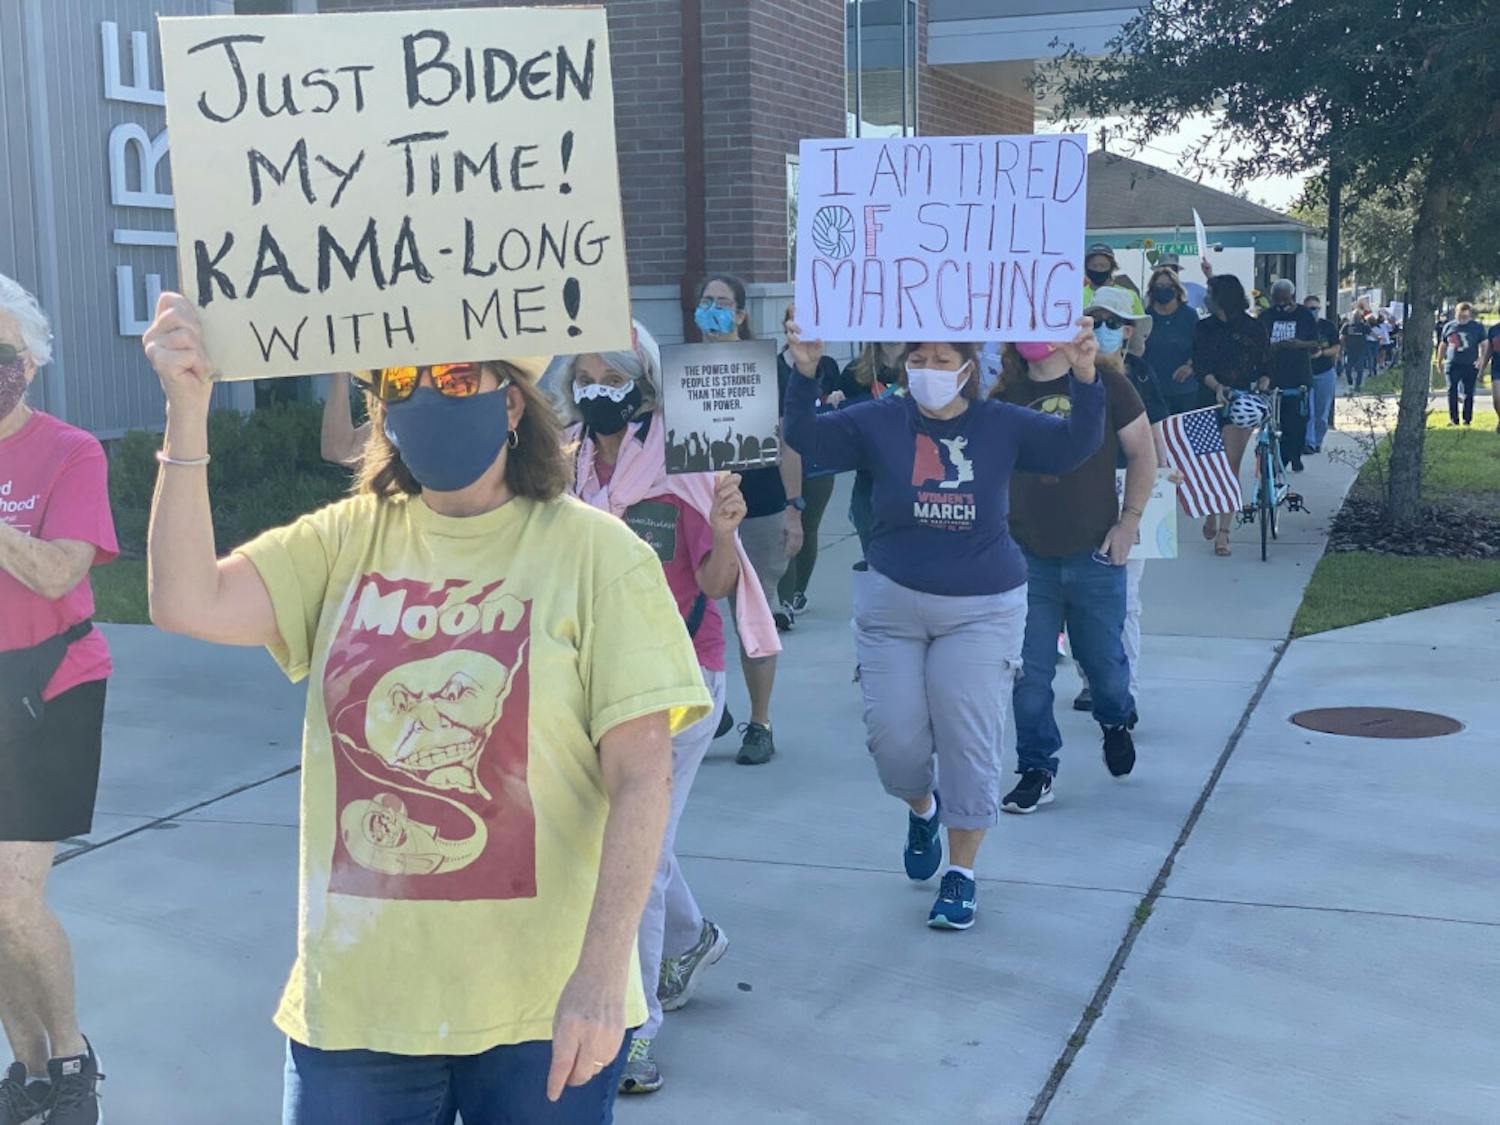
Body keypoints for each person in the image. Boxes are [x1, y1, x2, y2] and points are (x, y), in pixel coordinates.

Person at [142, 293, 711, 1125]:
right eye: (401, 382)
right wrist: (187, 411)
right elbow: (185, 599)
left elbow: (641, 776)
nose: (426, 398)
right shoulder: (344, 540)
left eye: (452, 375)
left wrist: (600, 972)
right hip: (361, 1009)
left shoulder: (599, 555)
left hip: (541, 1012)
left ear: (512, 401)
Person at [784, 319, 1106, 928]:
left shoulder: (1001, 423)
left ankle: (961, 873)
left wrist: (1086, 376)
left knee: (968, 737)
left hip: (982, 608)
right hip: (892, 604)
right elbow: (807, 438)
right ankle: (922, 807)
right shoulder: (878, 420)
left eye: (942, 357)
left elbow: (1073, 446)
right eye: (919, 357)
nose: (928, 367)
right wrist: (803, 372)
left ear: (967, 368)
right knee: (895, 746)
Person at [560, 323, 773, 1095]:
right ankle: (693, 939)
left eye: (607, 375)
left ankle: (636, 1029)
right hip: (599, 680)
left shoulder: (683, 463)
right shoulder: (574, 461)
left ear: (642, 382)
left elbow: (717, 582)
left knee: (635, 855)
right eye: (581, 377)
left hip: (682, 679)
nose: (593, 390)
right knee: (633, 832)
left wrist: (723, 530)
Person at [0, 276, 117, 1125]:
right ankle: (30, 1069)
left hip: (52, 684)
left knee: (11, 894)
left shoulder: (71, 450)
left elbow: (58, 571)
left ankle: (73, 1055)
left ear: (30, 364)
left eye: (3, 354)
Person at [995, 304, 1157, 815]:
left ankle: (1115, 720)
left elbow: (1143, 455)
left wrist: (1128, 522)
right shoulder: (1004, 397)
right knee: (1029, 673)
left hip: (1095, 553)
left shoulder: (1109, 387)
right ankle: (1036, 767)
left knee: (1105, 668)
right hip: (1025, 559)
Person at [694, 275, 799, 765]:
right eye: (705, 301)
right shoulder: (681, 369)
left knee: (751, 615)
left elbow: (788, 440)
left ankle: (761, 723)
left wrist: (796, 510)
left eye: (721, 302)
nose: (711, 308)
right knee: (686, 612)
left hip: (758, 503)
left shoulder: (767, 367)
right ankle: (711, 710)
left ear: (739, 314)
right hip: (696, 505)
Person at [1070, 287, 1178, 720]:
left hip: (1130, 489)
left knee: (1125, 596)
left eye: (1113, 324)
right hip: (1076, 494)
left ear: (1128, 331)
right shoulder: (1065, 372)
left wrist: (1166, 471)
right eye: (1095, 321)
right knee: (1077, 597)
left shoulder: (1142, 375)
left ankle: (1124, 688)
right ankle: (1090, 682)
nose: (1103, 330)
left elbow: (1154, 432)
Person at [1193, 274, 1271, 557]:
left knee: (1229, 466)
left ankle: (1225, 530)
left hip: (1240, 401)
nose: (1207, 298)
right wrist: (1216, 386)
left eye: (1210, 293)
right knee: (1206, 464)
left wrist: (1262, 385)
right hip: (1207, 398)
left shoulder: (1253, 327)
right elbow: (1200, 365)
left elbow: (1265, 363)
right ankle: (1210, 512)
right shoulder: (1204, 328)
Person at [774, 311, 843, 616]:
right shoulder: (773, 367)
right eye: (796, 319)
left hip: (816, 460)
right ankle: (784, 597)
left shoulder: (827, 365)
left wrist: (836, 397)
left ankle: (799, 590)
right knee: (785, 527)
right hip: (783, 457)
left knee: (808, 525)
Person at [834, 343, 904, 567]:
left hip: (914, 480)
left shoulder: (923, 367)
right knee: (876, 560)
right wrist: (835, 402)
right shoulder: (856, 372)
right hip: (869, 483)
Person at [1258, 279, 1319, 473]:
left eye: (1284, 299)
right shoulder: (1266, 316)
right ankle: (1280, 459)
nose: (1281, 303)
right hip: (1273, 375)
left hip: (1298, 375)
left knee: (1297, 421)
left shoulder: (1304, 315)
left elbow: (1318, 342)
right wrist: (1271, 347)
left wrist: (1299, 344)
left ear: (1292, 297)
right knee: (1278, 420)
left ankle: (1295, 454)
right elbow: (1256, 342)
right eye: (1277, 299)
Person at [1142, 265, 1203, 415]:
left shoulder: (1189, 316)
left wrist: (1190, 366)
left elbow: (1201, 347)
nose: (1164, 289)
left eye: (1168, 286)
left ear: (1176, 289)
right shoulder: (1145, 317)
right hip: (1153, 390)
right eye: (1160, 286)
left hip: (1185, 390)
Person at [1439, 302, 1486, 427]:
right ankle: (1454, 419)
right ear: (1456, 314)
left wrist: (1481, 359)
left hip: (1470, 364)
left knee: (1468, 392)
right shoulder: (1449, 326)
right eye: (1460, 316)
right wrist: (1439, 361)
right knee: (1451, 390)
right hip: (1452, 364)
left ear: (1469, 315)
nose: (1462, 319)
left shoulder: (1477, 327)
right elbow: (1443, 345)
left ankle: (1467, 419)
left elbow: (1484, 344)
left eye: (1465, 316)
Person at [1304, 294, 1341, 453]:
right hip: (1304, 373)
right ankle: (1308, 443)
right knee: (1308, 411)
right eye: (1309, 308)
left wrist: (1322, 353)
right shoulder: (1300, 326)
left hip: (1325, 372)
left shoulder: (1328, 326)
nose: (1313, 311)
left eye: (1315, 308)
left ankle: (1317, 441)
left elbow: (1336, 348)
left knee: (1321, 413)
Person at [1340, 313, 1374, 391]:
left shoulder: (1364, 326)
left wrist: (1378, 337)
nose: (1357, 318)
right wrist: (1344, 346)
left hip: (1361, 351)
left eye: (1358, 317)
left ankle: (1357, 385)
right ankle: (1350, 381)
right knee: (1348, 368)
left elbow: (1371, 333)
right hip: (1349, 351)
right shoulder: (1347, 326)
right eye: (1355, 316)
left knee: (1360, 369)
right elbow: (1342, 337)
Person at [1483, 317, 1500, 430]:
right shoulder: (1494, 330)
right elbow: (1488, 351)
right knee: (1497, 399)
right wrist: (1481, 370)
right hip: (1497, 368)